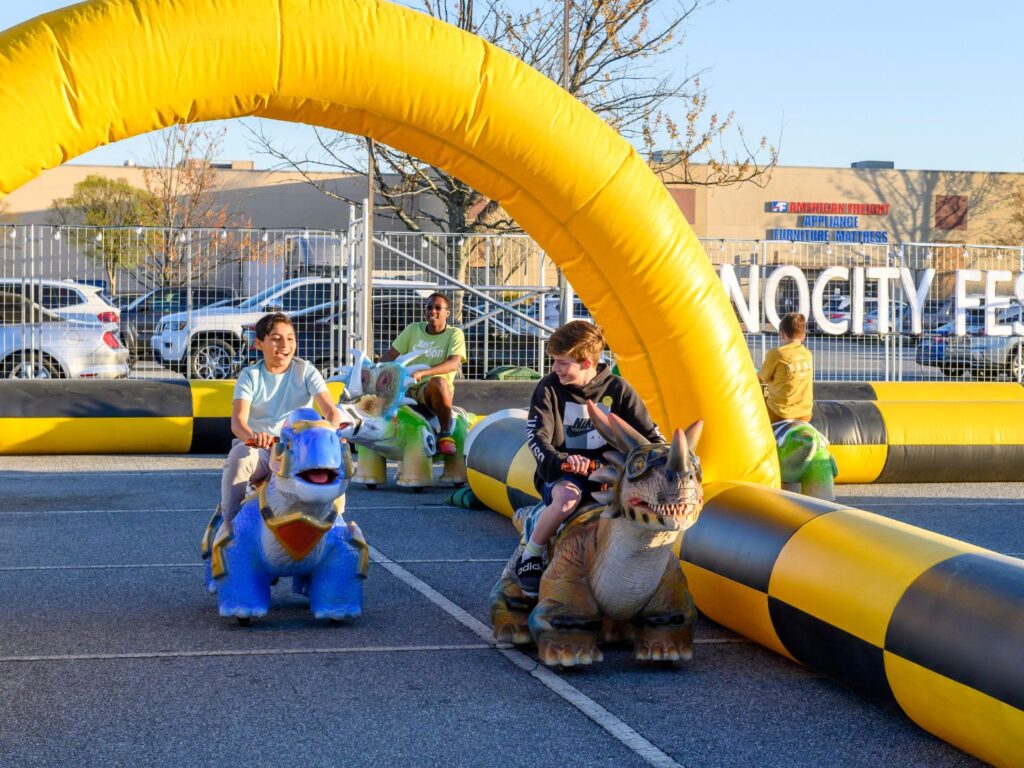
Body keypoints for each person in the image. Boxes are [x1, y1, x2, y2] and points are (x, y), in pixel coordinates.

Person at [514, 320, 664, 596]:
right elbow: (537, 436)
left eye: (562, 363)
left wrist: (663, 460)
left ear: (585, 363)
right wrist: (561, 461)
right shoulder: (548, 388)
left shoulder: (618, 390)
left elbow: (651, 439)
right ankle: (531, 555)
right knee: (567, 499)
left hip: (611, 477)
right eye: (554, 361)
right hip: (564, 474)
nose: (554, 368)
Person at [220, 312, 344, 522]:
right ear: (258, 344)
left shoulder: (306, 371)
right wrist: (256, 438)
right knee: (239, 458)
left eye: (290, 338)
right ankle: (230, 523)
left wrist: (332, 434)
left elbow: (331, 411)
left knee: (333, 466)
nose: (284, 345)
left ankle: (334, 523)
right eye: (276, 339)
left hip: (298, 447)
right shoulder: (251, 376)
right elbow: (238, 423)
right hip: (263, 449)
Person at [379, 291, 466, 456]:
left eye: (438, 308)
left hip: (430, 392)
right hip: (406, 389)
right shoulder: (413, 329)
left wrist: (425, 372)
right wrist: (372, 371)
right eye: (429, 307)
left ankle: (445, 435)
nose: (433, 311)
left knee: (438, 382)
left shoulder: (455, 334)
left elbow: (454, 363)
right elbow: (390, 356)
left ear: (447, 313)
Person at [758, 311, 814, 424]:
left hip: (780, 414)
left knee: (760, 391)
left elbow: (760, 379)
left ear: (782, 334)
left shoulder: (777, 354)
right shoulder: (807, 354)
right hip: (806, 414)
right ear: (803, 336)